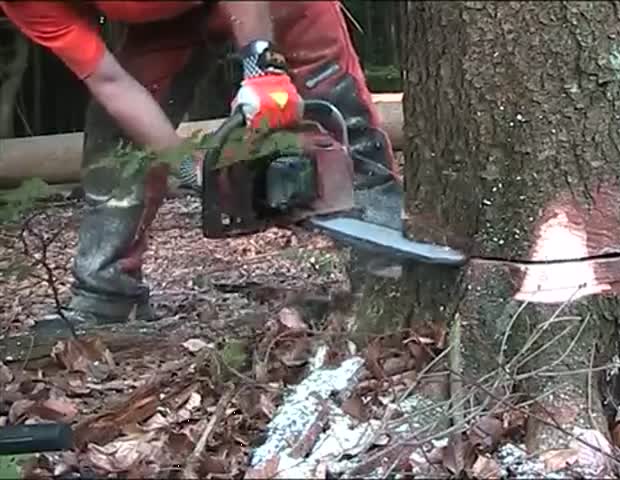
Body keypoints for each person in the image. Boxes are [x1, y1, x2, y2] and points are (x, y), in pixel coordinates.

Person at [0, 1, 397, 327]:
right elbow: (111, 83)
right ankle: (105, 294)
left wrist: (263, 67)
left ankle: (388, 259)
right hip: (164, 18)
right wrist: (187, 167)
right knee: (115, 137)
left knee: (334, 95)